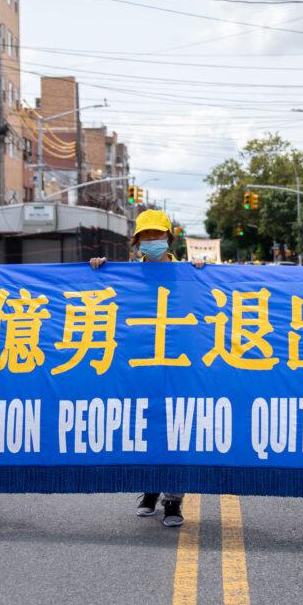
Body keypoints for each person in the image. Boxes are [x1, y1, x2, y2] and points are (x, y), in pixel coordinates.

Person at [91, 209, 203, 527]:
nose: (152, 241)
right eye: (146, 236)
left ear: (169, 238)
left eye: (158, 235)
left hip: (178, 367)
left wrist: (200, 273)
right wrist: (96, 270)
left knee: (176, 432)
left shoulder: (187, 274)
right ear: (137, 241)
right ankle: (150, 489)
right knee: (145, 428)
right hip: (139, 367)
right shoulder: (123, 275)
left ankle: (173, 501)